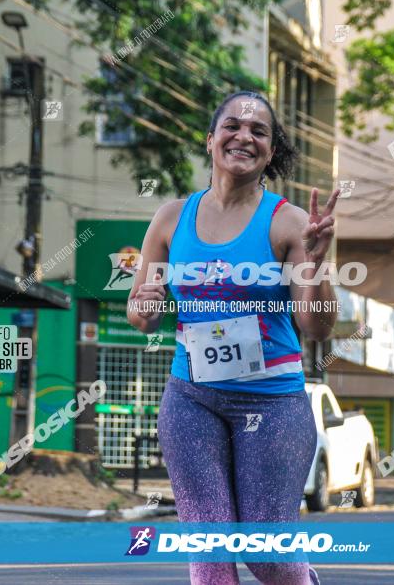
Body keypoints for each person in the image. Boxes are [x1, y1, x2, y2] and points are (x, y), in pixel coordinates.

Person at [127, 90, 339, 585]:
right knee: (211, 560)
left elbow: (317, 327)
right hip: (191, 400)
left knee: (267, 556)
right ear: (211, 140)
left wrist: (318, 262)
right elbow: (141, 315)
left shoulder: (290, 222)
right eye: (232, 126)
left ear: (269, 150)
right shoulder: (171, 218)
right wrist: (149, 300)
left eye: (259, 131)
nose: (244, 135)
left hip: (273, 405)